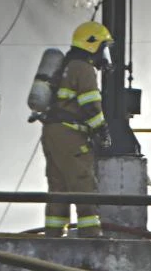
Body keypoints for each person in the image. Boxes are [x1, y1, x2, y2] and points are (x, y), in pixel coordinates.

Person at [40, 21, 113, 238]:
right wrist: (102, 130)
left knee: (58, 186)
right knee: (83, 183)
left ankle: (53, 235)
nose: (104, 53)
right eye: (103, 46)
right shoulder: (83, 68)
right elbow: (90, 104)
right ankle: (90, 235)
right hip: (70, 134)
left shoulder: (66, 65)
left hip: (52, 132)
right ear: (92, 44)